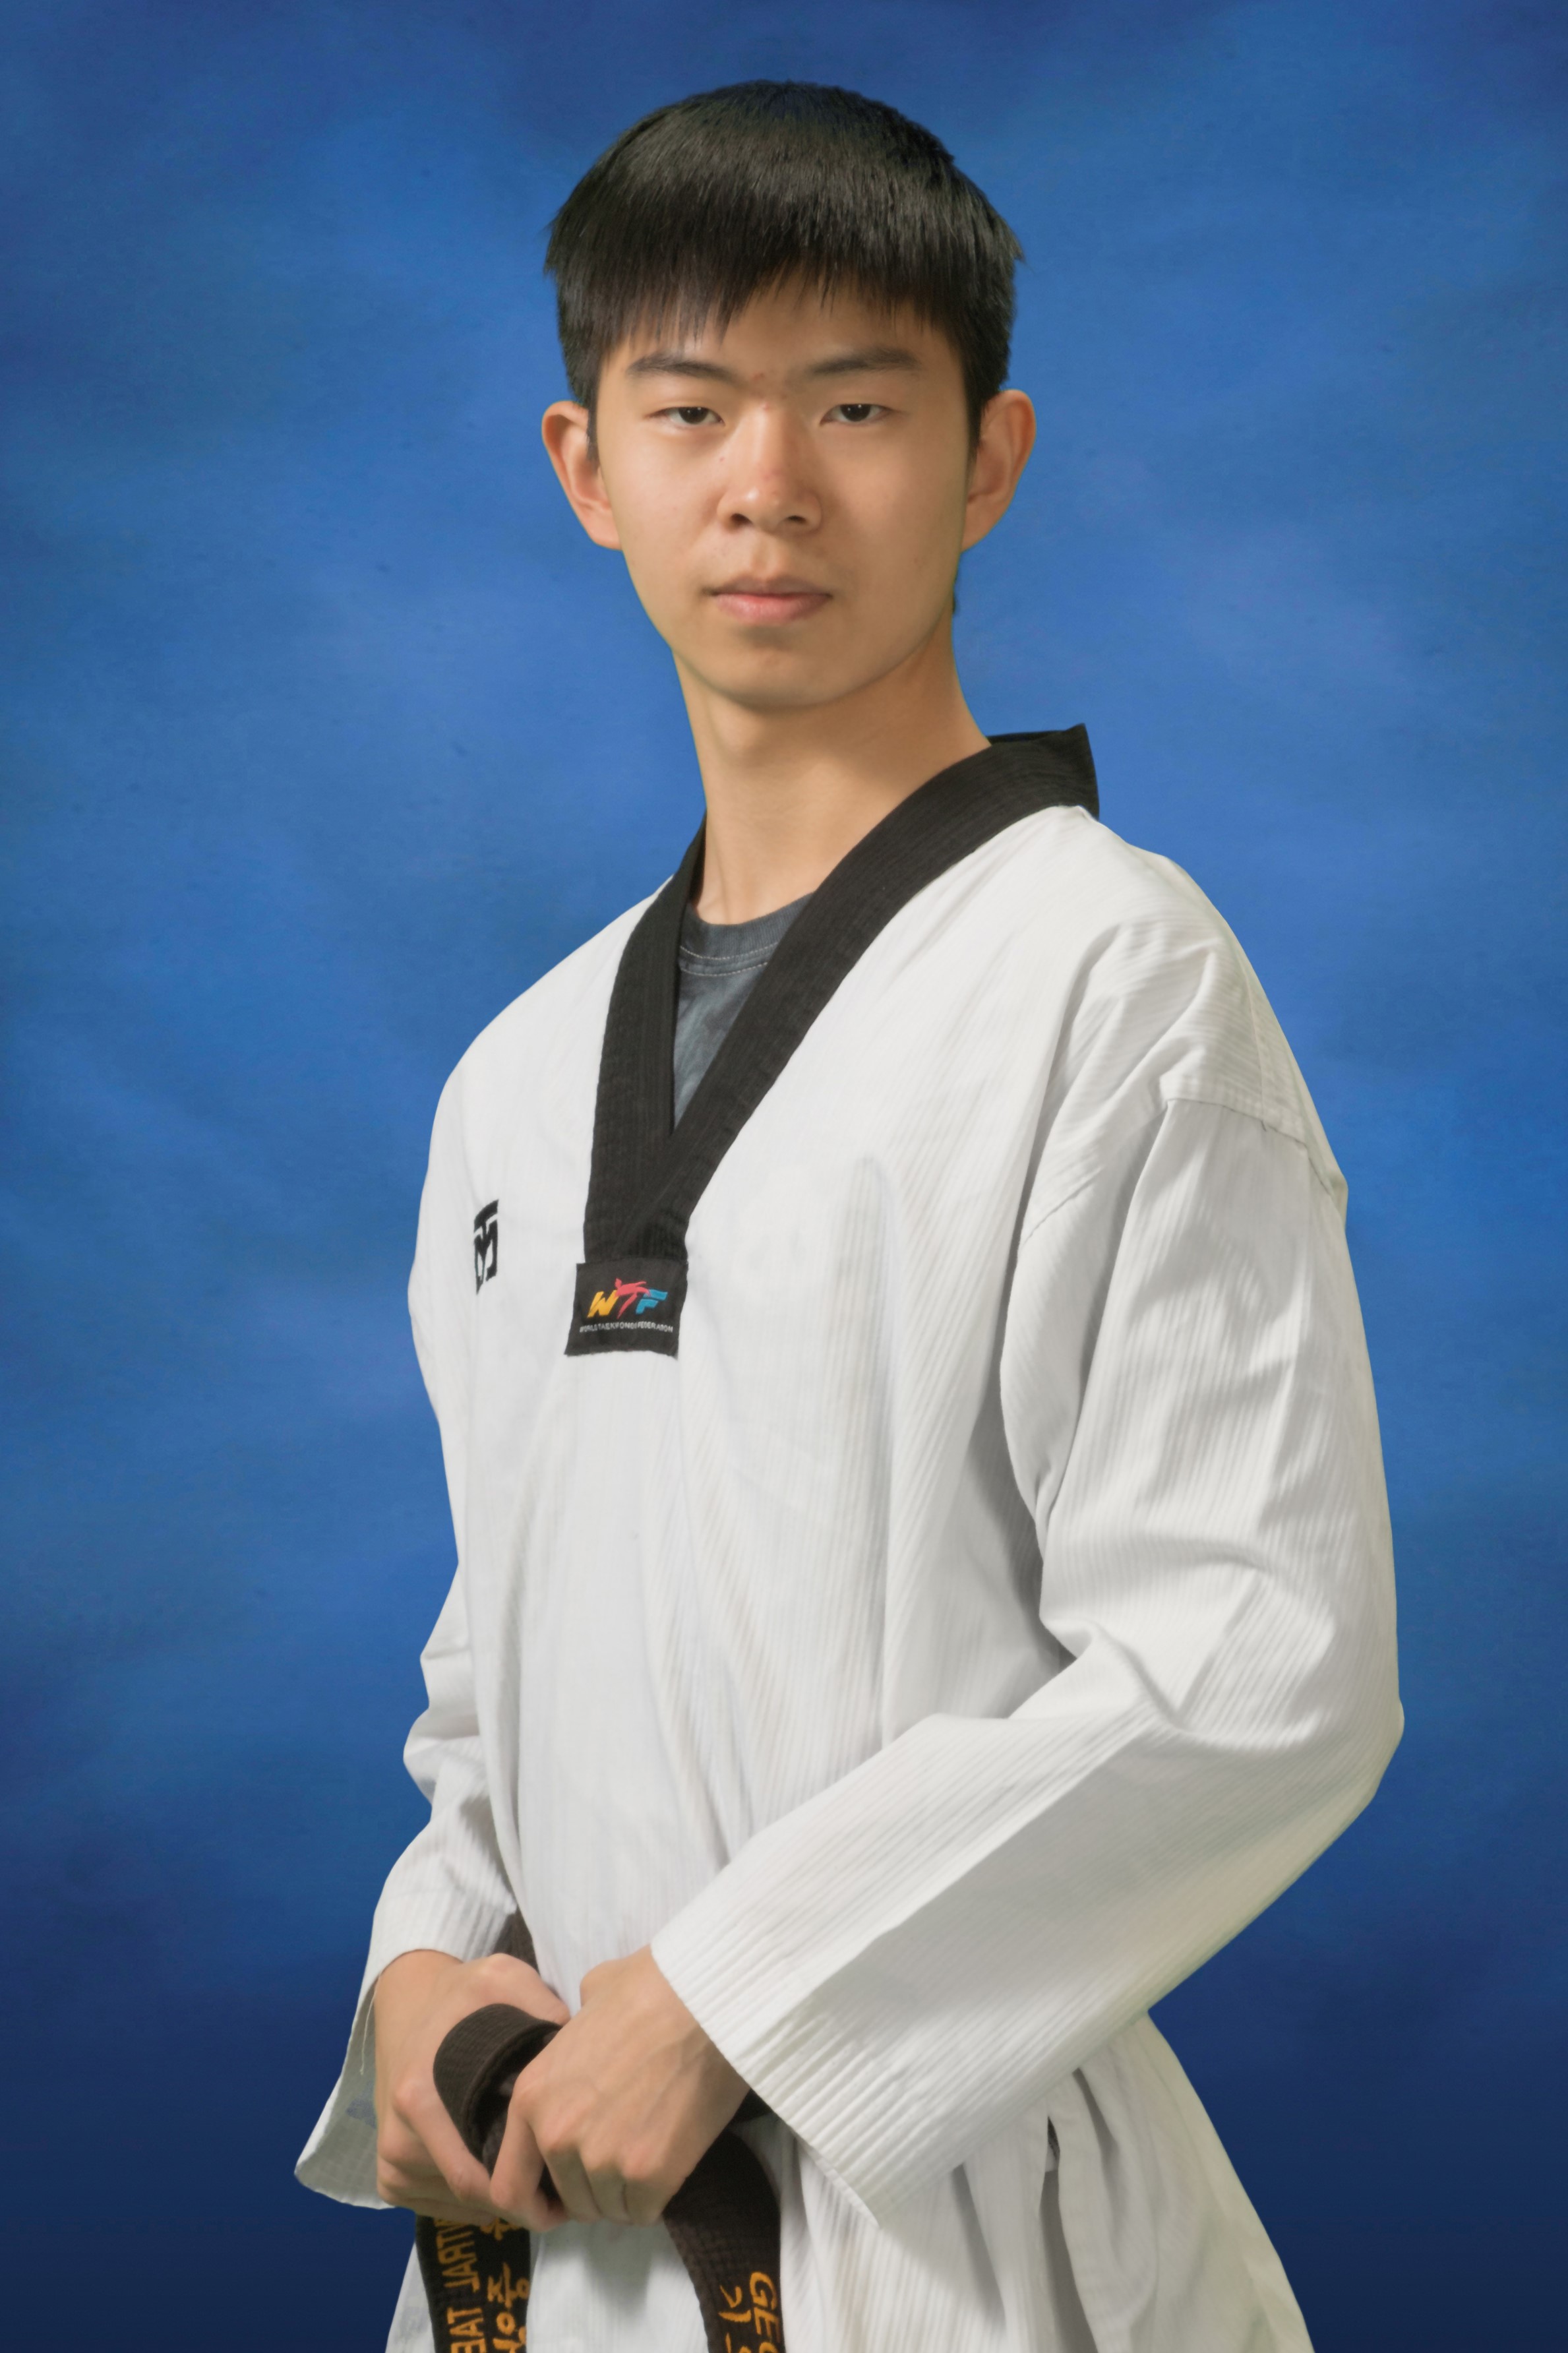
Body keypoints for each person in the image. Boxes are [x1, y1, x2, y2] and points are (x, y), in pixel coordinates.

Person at [297, 80, 1401, 2352]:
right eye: (690, 407)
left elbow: (1250, 1660)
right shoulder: (516, 1077)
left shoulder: (1110, 975)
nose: (768, 486)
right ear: (585, 466)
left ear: (988, 458)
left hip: (950, 2231)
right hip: (555, 2229)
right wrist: (430, 1958)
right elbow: (515, 1660)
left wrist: (739, 1995)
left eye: (858, 406)